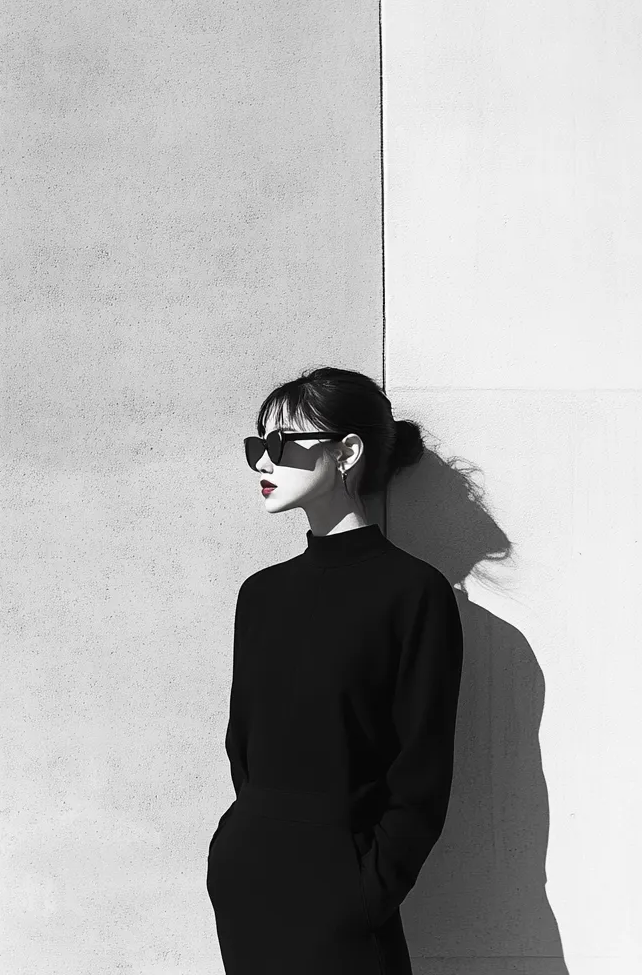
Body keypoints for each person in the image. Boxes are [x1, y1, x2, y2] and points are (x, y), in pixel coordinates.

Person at [205, 366, 464, 975]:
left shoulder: (413, 592)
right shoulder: (260, 595)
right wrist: (237, 846)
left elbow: (422, 770)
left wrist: (365, 893)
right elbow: (243, 742)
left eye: (281, 445)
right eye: (255, 448)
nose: (263, 464)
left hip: (343, 894)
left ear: (347, 452)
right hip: (249, 880)